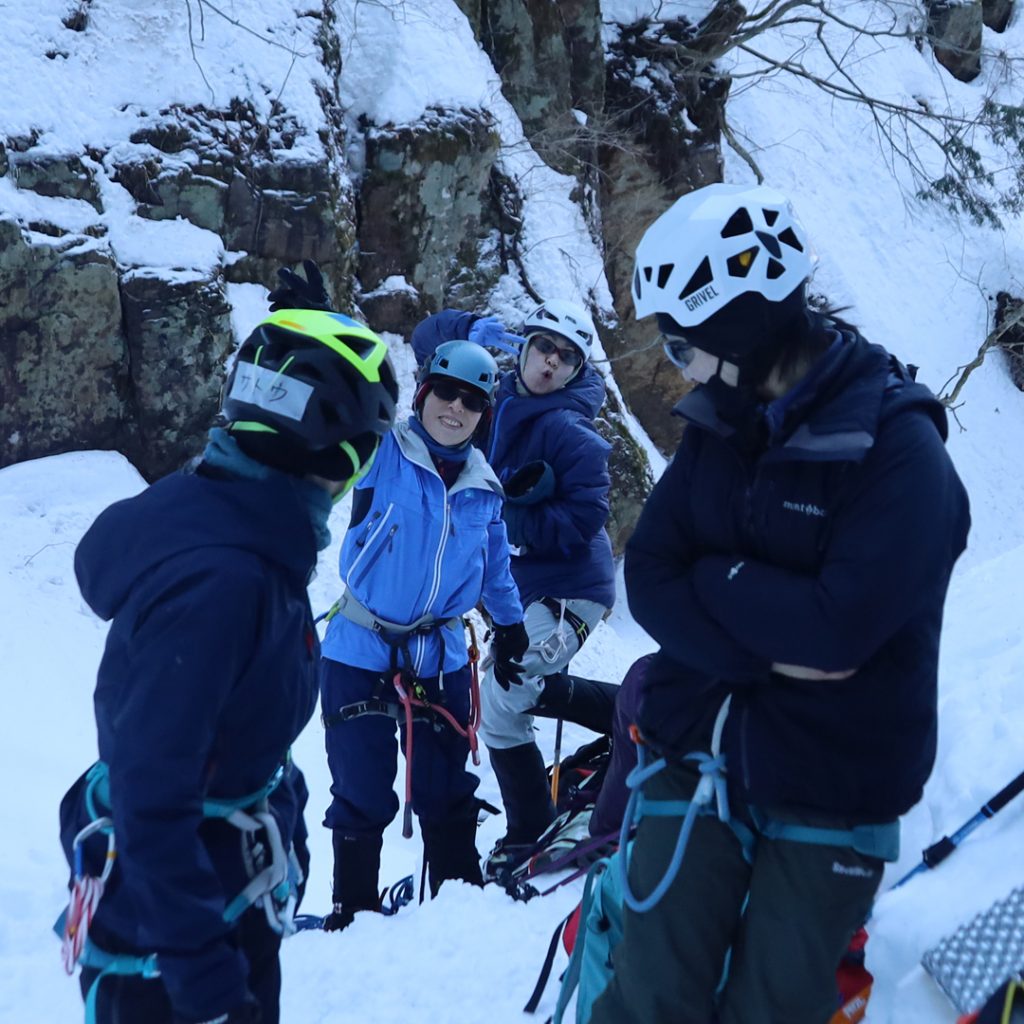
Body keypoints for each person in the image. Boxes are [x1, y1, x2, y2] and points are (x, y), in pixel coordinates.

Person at [589, 182, 971, 1024]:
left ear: (739, 324)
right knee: (648, 998)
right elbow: (651, 572)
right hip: (694, 765)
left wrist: (719, 582)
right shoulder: (726, 427)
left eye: (685, 342)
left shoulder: (898, 453)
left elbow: (839, 631)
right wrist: (765, 649)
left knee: (774, 1011)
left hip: (833, 790)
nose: (677, 363)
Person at [58, 303, 399, 1024]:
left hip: (198, 902)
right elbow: (152, 793)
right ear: (339, 458)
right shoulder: (225, 583)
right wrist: (206, 982)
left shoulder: (227, 526)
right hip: (178, 935)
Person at [318, 339, 528, 929]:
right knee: (360, 786)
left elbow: (494, 567)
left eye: (473, 401)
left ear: (484, 414)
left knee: (445, 789)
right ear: (423, 393)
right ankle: (352, 912)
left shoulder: (485, 487)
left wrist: (510, 627)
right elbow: (342, 398)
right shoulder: (384, 449)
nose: (456, 409)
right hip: (360, 643)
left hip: (439, 655)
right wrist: (307, 325)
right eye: (446, 392)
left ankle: (457, 913)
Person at [412, 299, 617, 877]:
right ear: (523, 348)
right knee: (507, 692)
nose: (550, 364)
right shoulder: (490, 396)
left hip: (570, 590)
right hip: (521, 591)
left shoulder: (569, 429)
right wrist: (470, 329)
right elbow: (427, 339)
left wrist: (502, 519)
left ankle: (530, 830)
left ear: (576, 372)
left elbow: (586, 518)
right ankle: (637, 710)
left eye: (565, 358)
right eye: (543, 348)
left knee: (504, 699)